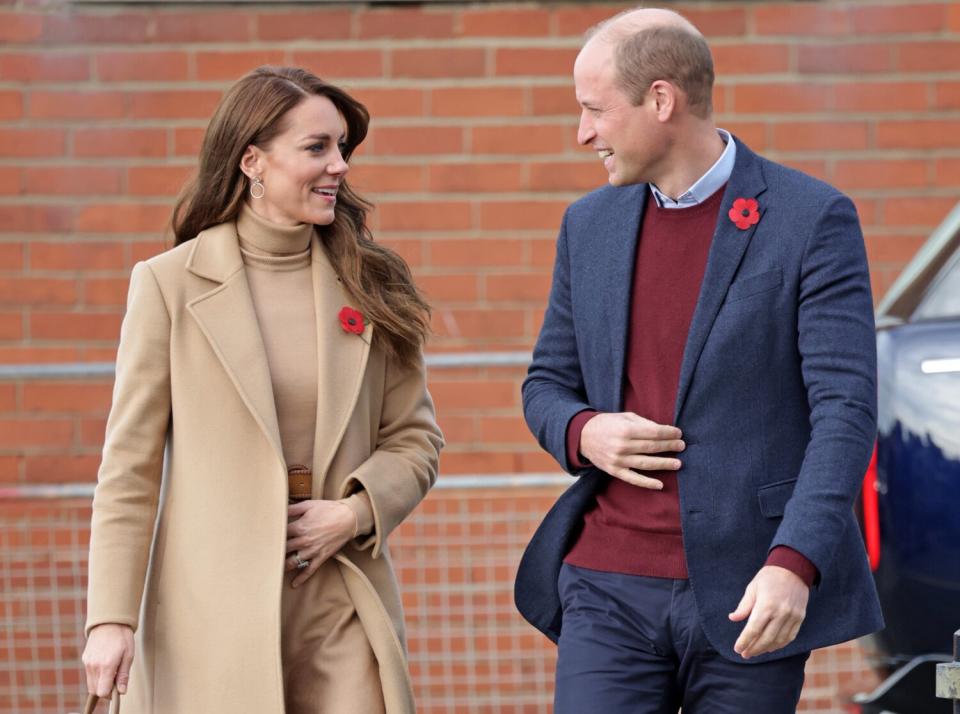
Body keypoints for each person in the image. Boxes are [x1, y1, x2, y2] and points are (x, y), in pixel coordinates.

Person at [515, 8, 883, 713]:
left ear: (661, 101)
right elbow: (547, 384)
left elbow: (846, 410)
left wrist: (794, 563)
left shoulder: (811, 219)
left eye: (595, 110)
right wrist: (583, 431)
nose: (583, 132)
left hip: (752, 591)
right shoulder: (586, 225)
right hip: (606, 585)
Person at [80, 66, 443, 714]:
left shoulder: (371, 285)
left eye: (341, 148)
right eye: (316, 148)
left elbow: (414, 439)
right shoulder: (170, 286)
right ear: (252, 160)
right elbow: (129, 469)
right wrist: (110, 619)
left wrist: (354, 512)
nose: (338, 165)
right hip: (210, 619)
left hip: (341, 606)